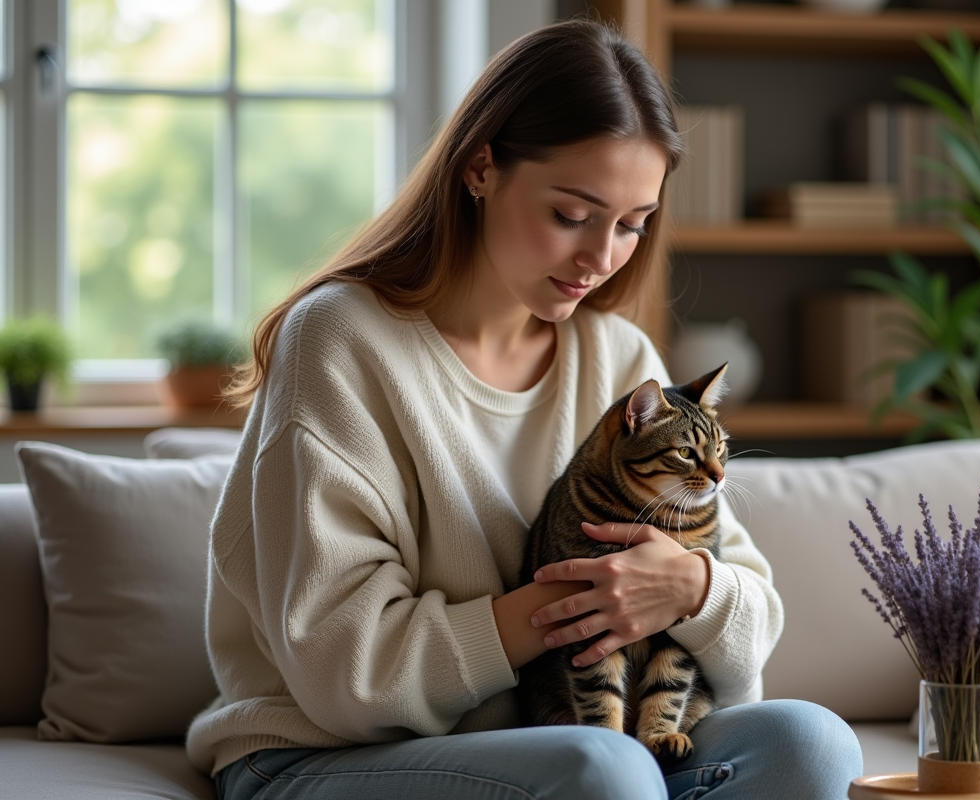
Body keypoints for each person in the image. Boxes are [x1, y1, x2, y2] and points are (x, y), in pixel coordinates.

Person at [186, 18, 863, 800]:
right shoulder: (340, 339)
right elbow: (345, 674)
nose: (601, 258)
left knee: (810, 747)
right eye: (572, 216)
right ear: (481, 168)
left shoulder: (620, 358)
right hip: (321, 754)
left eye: (632, 225)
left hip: (561, 742)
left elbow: (747, 624)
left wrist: (691, 591)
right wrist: (577, 605)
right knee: (603, 771)